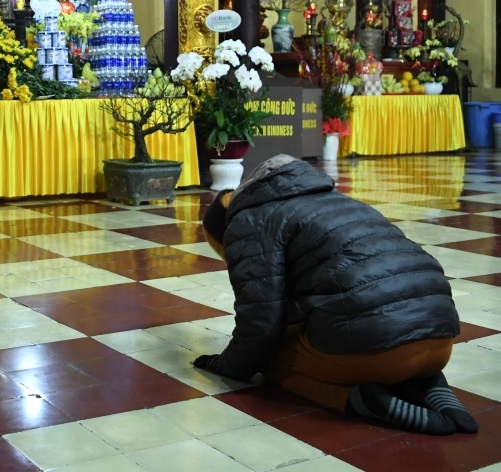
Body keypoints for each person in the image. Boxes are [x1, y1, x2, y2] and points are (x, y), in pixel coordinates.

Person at [193, 155, 477, 435]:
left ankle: (365, 401)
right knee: (376, 328)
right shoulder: (343, 202)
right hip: (441, 340)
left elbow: (261, 324)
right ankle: (430, 384)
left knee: (269, 357)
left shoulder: (249, 220)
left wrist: (228, 365)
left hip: (378, 349)